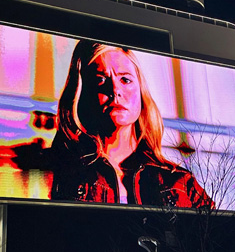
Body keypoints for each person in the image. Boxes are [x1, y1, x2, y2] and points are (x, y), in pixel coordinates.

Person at [51, 40, 214, 208]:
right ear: (81, 93)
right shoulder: (58, 170)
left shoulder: (181, 183)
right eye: (100, 79)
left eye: (125, 80)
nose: (115, 90)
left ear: (141, 92)